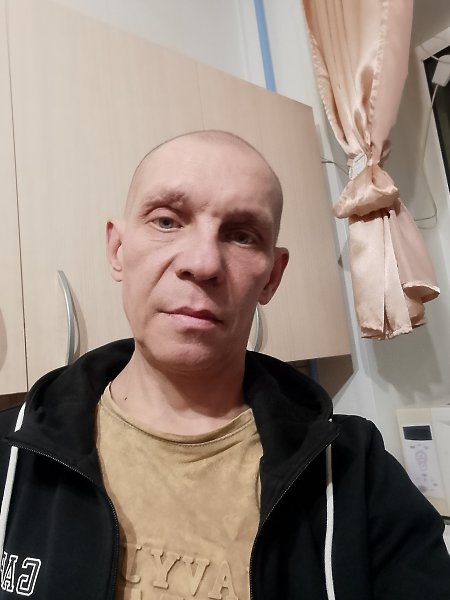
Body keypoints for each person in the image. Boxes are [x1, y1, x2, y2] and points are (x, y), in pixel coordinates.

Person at [0, 130, 449, 600]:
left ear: (272, 276)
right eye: (167, 221)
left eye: (241, 235)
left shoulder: (355, 472)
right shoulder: (13, 453)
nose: (203, 263)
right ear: (117, 249)